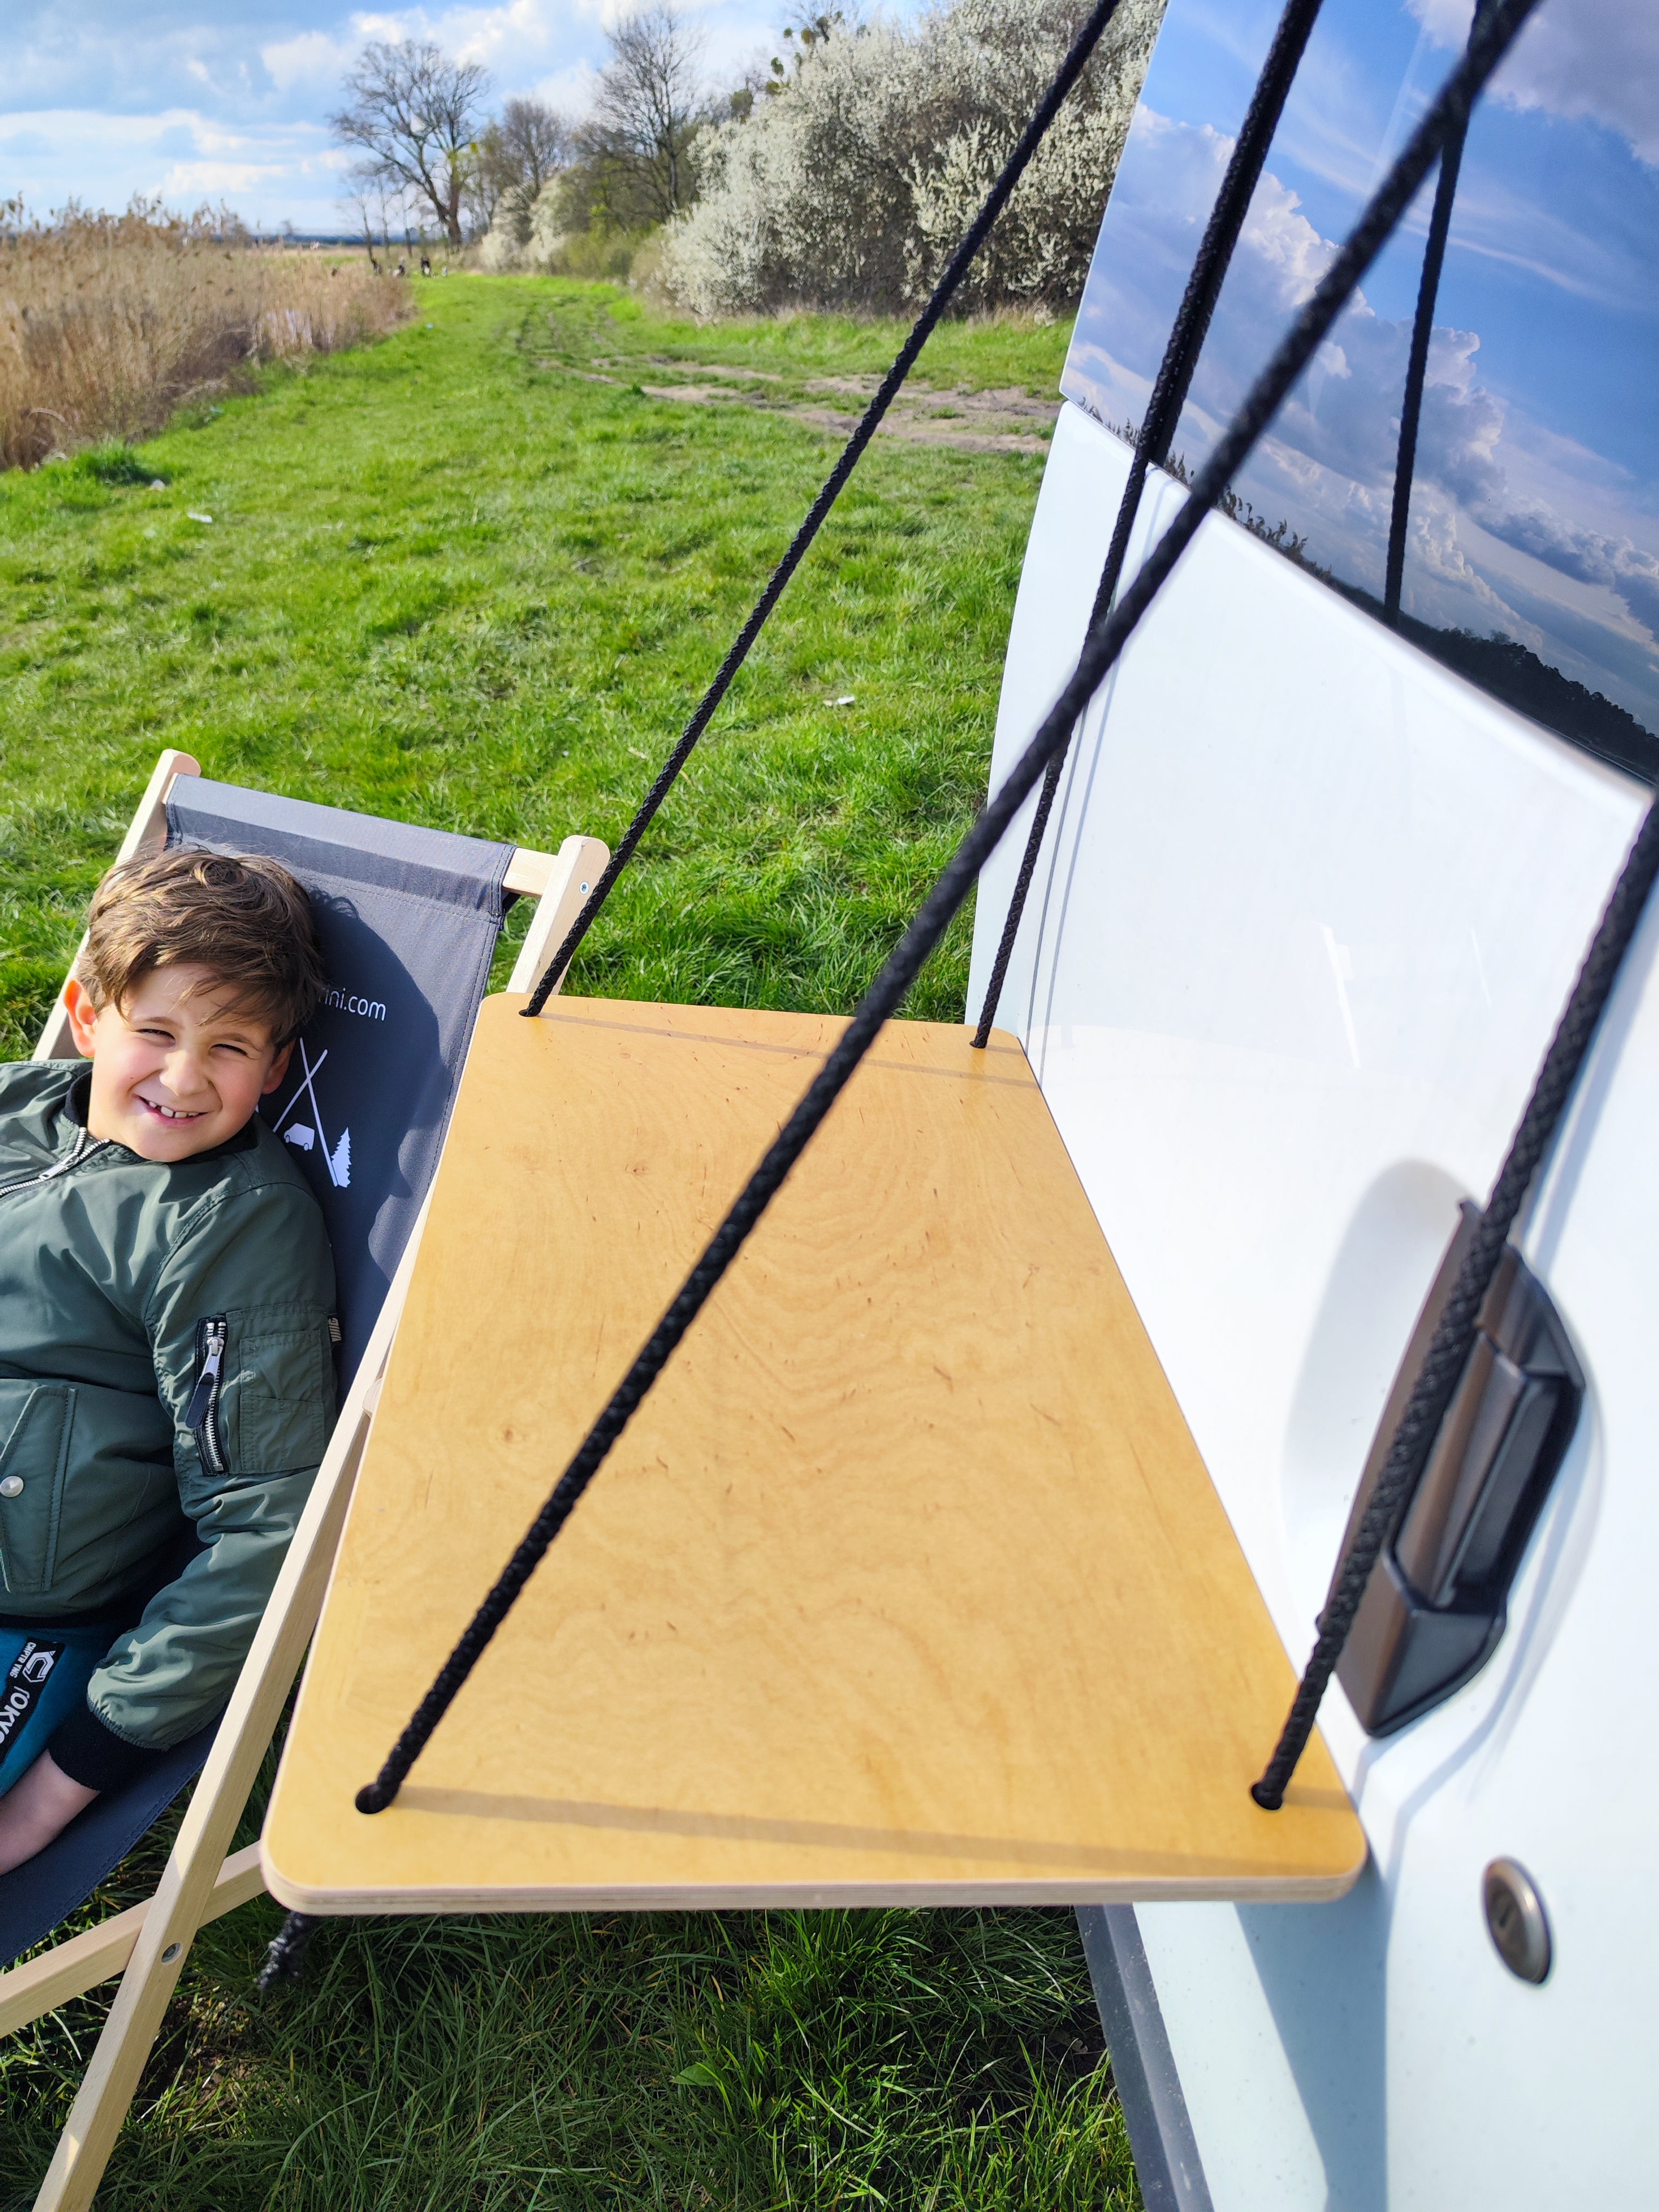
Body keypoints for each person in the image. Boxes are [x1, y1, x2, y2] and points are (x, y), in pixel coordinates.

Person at [0, 847, 336, 1874]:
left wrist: (51, 1798)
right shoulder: (18, 1108)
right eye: (155, 1032)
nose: (185, 1078)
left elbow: (266, 1533)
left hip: (28, 1624)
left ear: (277, 1070)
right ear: (87, 1012)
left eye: (230, 1048)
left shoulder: (234, 1226)